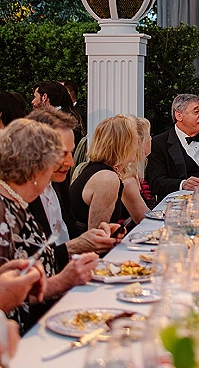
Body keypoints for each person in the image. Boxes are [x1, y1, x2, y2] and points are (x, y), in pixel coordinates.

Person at [0, 119, 97, 332]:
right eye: (58, 157)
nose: (69, 163)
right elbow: (8, 295)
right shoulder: (4, 211)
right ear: (36, 166)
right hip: (22, 334)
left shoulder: (17, 204)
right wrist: (62, 281)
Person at [26, 109, 120, 270]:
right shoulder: (18, 195)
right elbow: (27, 261)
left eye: (71, 152)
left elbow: (68, 231)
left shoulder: (57, 182)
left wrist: (96, 238)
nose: (70, 163)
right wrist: (75, 247)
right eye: (62, 154)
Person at [70, 114, 148, 230]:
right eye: (135, 140)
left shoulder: (99, 170)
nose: (138, 145)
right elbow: (98, 236)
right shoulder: (107, 178)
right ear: (124, 145)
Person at [146, 95, 199, 202]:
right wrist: (182, 184)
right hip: (176, 204)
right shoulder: (159, 143)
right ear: (179, 115)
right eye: (196, 111)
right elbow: (156, 182)